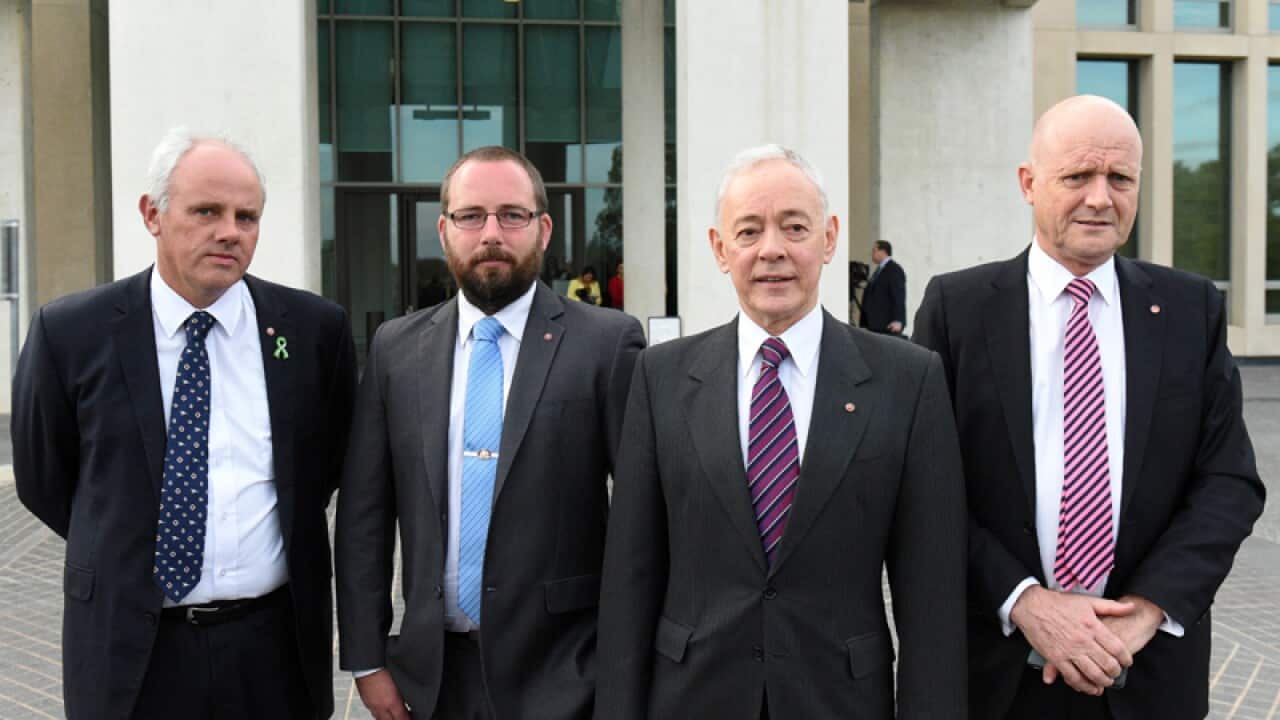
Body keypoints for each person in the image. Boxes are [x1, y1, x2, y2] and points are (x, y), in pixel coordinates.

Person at [913, 95, 1266, 720]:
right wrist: (1026, 602)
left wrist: (1144, 614)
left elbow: (1229, 482)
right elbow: (928, 489)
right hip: (998, 676)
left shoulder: (1191, 311)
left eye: (1119, 178)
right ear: (1029, 183)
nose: (1100, 198)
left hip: (1146, 671)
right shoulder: (958, 311)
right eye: (1077, 176)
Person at [595, 144, 967, 719]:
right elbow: (630, 578)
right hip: (692, 699)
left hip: (841, 700)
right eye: (748, 232)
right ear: (721, 249)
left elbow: (932, 593)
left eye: (794, 227)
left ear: (829, 238)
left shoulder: (908, 380)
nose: (772, 250)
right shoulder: (660, 377)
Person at [11, 128, 357, 719]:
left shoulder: (312, 331)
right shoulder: (71, 333)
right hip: (132, 652)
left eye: (246, 217)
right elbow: (47, 479)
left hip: (272, 651)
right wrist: (120, 542)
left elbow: (320, 468)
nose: (230, 231)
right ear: (153, 214)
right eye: (206, 211)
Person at [335, 146, 646, 720]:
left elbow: (642, 522)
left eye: (513, 215)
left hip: (566, 676)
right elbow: (363, 518)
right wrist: (366, 660)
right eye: (471, 216)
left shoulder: (608, 344)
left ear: (543, 228)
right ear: (445, 229)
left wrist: (622, 677)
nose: (492, 232)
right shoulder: (397, 350)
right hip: (433, 682)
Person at [858, 240, 906, 335]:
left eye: (874, 250)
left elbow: (898, 295)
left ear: (883, 251)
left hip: (885, 325)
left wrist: (898, 320)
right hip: (873, 325)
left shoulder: (894, 270)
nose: (872, 254)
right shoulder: (879, 271)